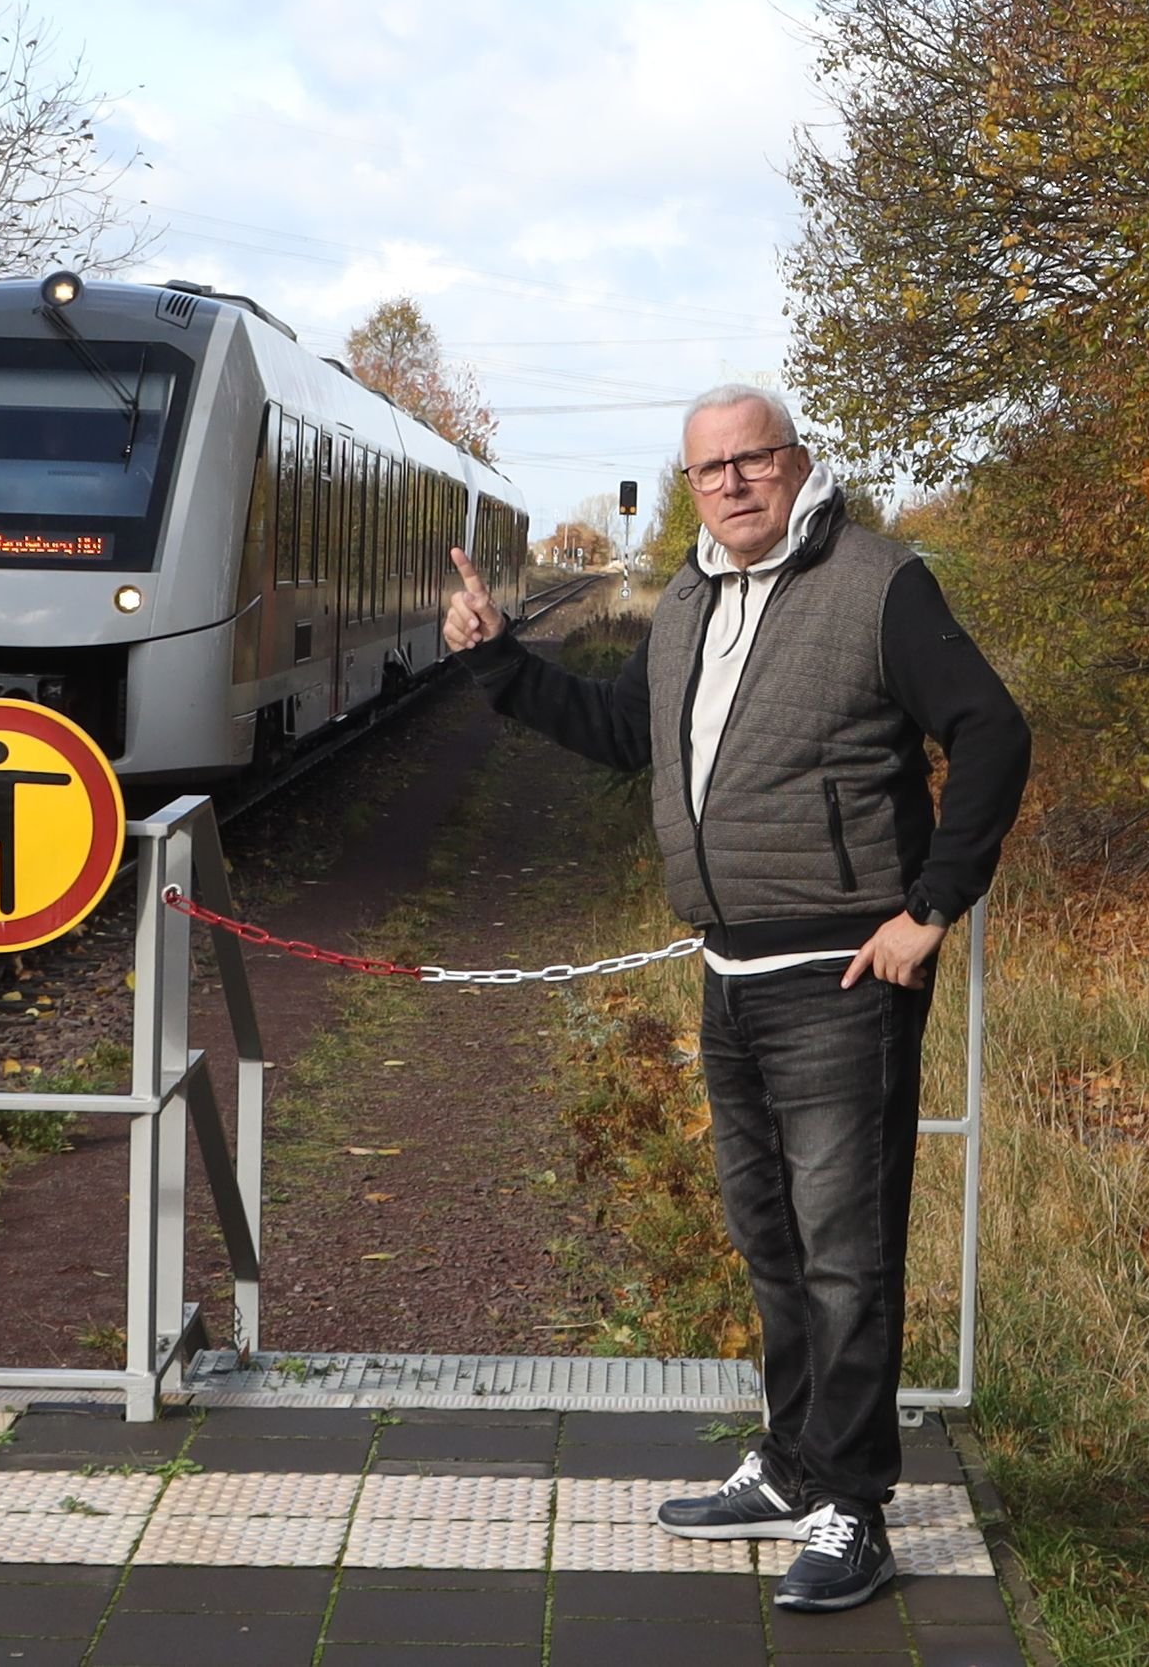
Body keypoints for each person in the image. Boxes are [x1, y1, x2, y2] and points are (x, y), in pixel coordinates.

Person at [442, 382, 1030, 1614]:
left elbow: (990, 731)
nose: (732, 484)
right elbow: (628, 736)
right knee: (773, 1245)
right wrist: (500, 663)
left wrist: (929, 912)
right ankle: (793, 1462)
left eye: (751, 461)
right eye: (709, 469)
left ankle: (853, 1508)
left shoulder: (878, 583)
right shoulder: (693, 598)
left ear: (796, 460)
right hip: (728, 972)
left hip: (841, 979)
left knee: (847, 1254)